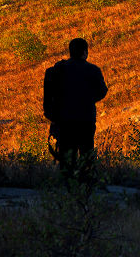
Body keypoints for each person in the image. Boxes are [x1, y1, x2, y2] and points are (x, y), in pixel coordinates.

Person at [43, 38, 108, 176]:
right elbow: (102, 91)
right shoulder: (93, 70)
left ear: (70, 52)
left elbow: (49, 97)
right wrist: (87, 100)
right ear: (85, 52)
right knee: (86, 156)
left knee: (67, 159)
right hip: (86, 120)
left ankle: (68, 188)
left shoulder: (57, 70)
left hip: (64, 121)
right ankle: (86, 187)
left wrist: (53, 116)